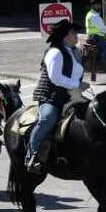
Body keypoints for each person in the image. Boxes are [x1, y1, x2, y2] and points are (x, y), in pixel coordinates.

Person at [25, 19, 83, 173]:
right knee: (47, 118)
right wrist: (76, 84)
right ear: (65, 35)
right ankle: (32, 156)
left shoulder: (73, 52)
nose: (77, 35)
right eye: (74, 33)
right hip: (51, 96)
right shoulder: (55, 52)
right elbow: (55, 78)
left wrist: (79, 84)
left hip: (71, 95)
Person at [84, 3, 106, 68]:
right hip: (95, 37)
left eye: (99, 5)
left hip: (95, 36)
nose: (99, 6)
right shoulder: (93, 16)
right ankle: (102, 64)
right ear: (92, 6)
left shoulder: (92, 14)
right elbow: (101, 27)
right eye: (97, 5)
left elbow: (101, 26)